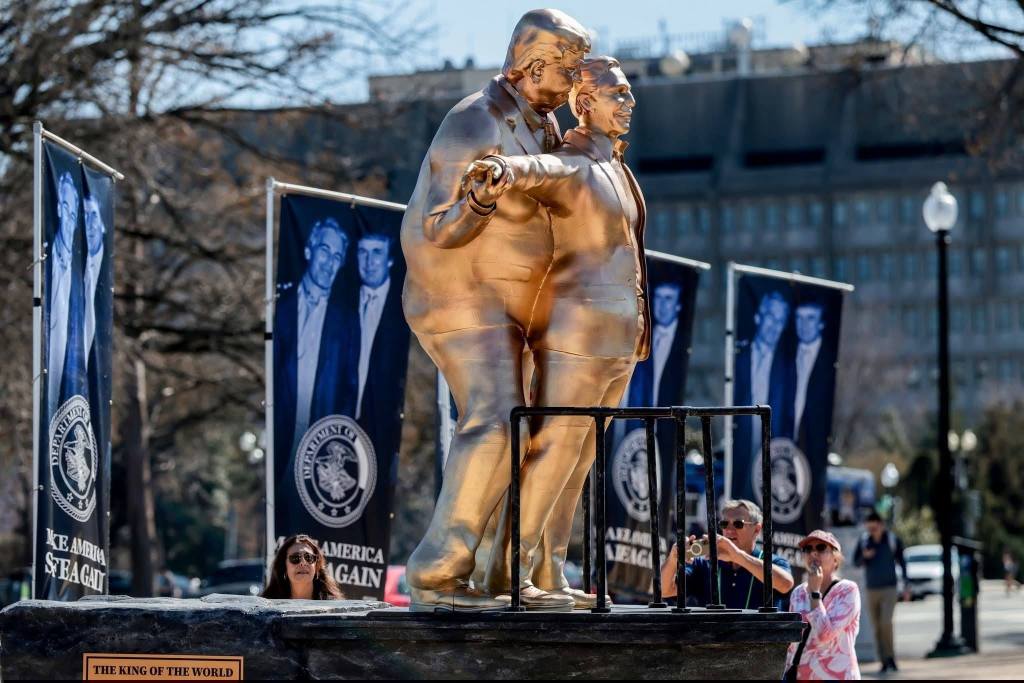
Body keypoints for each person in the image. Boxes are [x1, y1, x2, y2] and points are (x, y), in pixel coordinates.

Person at [401, 9, 590, 612]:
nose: (577, 82)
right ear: (534, 67)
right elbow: (436, 227)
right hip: (463, 297)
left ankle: (501, 573)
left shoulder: (547, 127)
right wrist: (479, 202)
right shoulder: (475, 119)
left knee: (541, 429)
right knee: (497, 417)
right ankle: (436, 573)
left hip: (522, 306)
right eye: (569, 69)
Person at [468, 56, 649, 609]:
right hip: (577, 332)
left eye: (628, 93)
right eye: (618, 94)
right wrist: (501, 169)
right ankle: (510, 572)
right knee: (554, 449)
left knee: (581, 458)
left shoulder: (618, 167)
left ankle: (549, 570)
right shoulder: (574, 164)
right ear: (585, 103)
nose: (629, 102)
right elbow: (536, 170)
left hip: (621, 336)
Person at [273, 217, 358, 461]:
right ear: (308, 251)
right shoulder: (279, 307)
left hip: (321, 447)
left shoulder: (347, 323)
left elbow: (349, 388)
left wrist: (335, 441)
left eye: (337, 257)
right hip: (275, 438)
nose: (329, 263)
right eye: (324, 250)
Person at [659, 499, 794, 610]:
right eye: (724, 524)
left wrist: (737, 556)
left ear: (757, 529)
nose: (729, 530)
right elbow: (665, 590)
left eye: (738, 524)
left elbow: (786, 584)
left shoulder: (774, 561)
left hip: (757, 635)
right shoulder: (705, 562)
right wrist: (673, 559)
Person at [732, 291, 794, 498]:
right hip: (737, 451)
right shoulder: (737, 356)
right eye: (771, 317)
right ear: (758, 317)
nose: (774, 326)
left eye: (780, 321)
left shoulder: (788, 366)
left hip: (771, 455)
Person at [786, 530, 861, 680]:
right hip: (802, 677)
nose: (813, 553)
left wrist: (814, 593)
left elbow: (824, 635)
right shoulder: (798, 593)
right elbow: (793, 643)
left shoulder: (847, 590)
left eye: (821, 548)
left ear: (835, 559)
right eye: (808, 549)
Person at [853, 510, 909, 673]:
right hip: (871, 589)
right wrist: (865, 556)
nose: (872, 531)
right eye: (869, 528)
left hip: (890, 588)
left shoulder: (892, 540)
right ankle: (883, 661)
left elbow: (902, 562)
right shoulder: (864, 541)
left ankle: (891, 657)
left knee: (886, 622)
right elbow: (856, 562)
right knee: (876, 627)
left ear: (881, 525)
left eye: (875, 528)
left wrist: (907, 585)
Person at [48, 171, 84, 418]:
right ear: (59, 209)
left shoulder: (79, 278)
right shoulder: (45, 262)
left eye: (74, 215)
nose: (70, 221)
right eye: (66, 210)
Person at [262, 533, 343, 600]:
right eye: (295, 558)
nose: (303, 563)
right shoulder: (269, 607)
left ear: (316, 567)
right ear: (284, 566)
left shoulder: (333, 607)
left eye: (309, 557)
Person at [82, 193, 106, 370]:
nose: (89, 224)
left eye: (94, 216)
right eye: (85, 216)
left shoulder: (106, 265)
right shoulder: (76, 264)